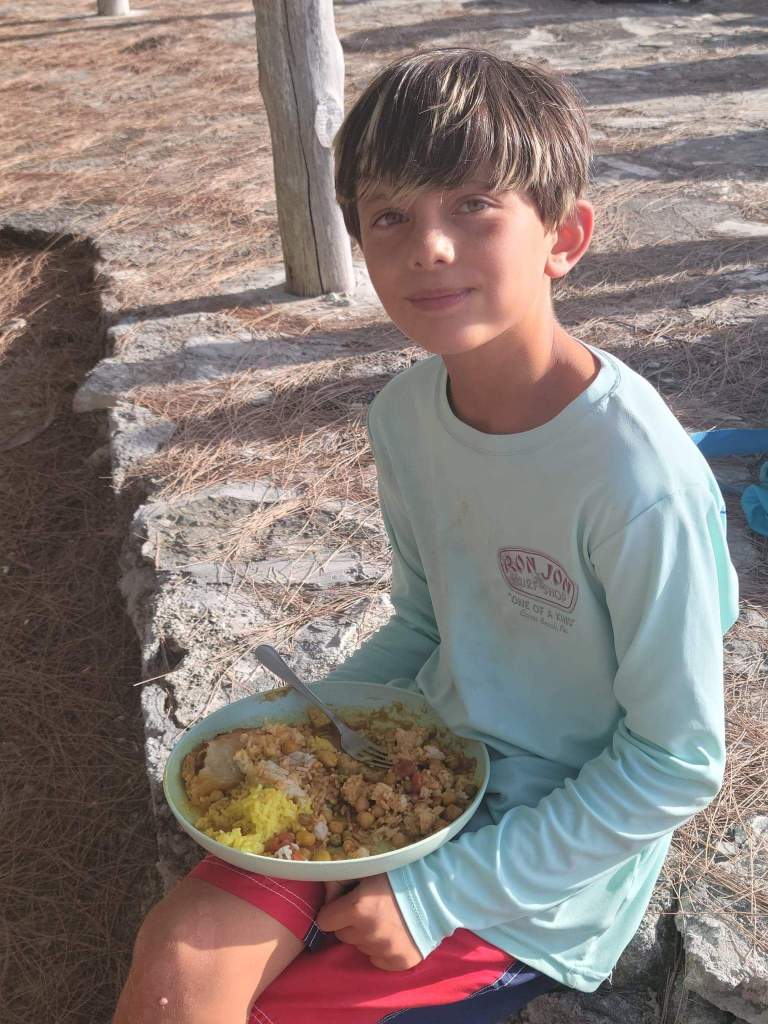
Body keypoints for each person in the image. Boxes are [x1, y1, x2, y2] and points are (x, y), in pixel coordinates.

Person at [113, 49, 739, 1024]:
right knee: (179, 966)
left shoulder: (637, 482)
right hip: (403, 775)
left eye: (474, 205)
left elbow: (675, 760)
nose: (429, 247)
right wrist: (302, 730)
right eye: (390, 216)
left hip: (535, 871)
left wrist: (436, 892)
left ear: (564, 236)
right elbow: (422, 622)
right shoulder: (406, 416)